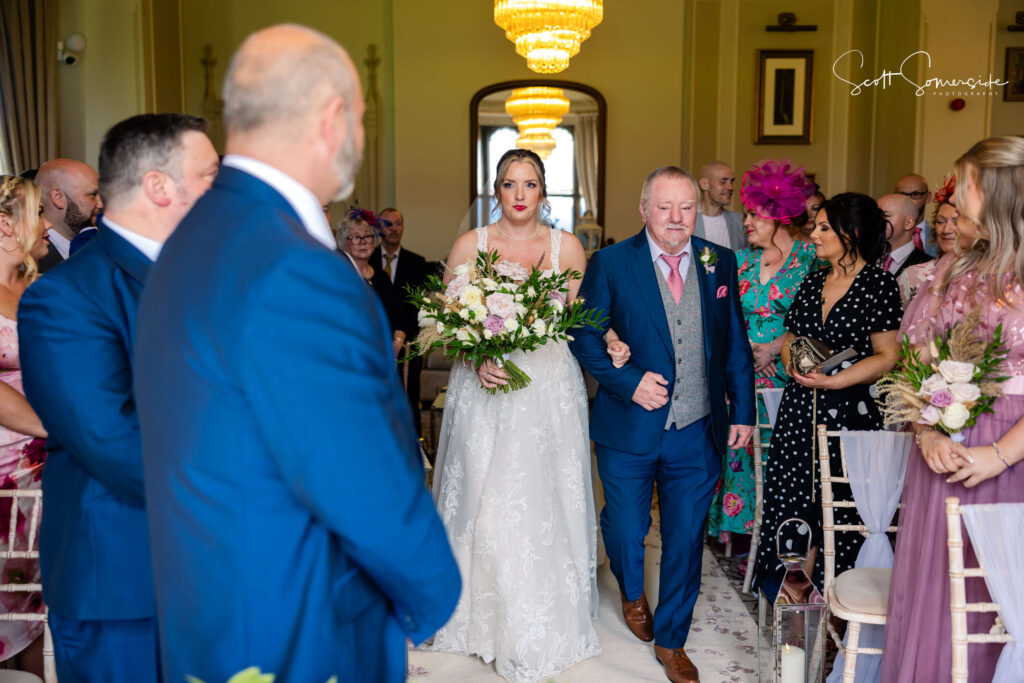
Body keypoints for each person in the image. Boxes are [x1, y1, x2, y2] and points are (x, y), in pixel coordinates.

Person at [132, 24, 459, 683]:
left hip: (210, 603)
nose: (359, 140)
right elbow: (356, 472)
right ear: (333, 118)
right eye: (361, 119)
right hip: (296, 623)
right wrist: (432, 589)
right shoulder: (291, 266)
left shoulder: (196, 235)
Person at [18, 114, 219, 683]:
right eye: (210, 175)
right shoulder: (67, 297)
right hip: (124, 577)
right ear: (159, 187)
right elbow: (111, 439)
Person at [570, 165, 754, 683]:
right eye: (665, 207)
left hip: (697, 428)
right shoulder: (609, 263)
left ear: (696, 210)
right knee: (627, 529)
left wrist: (741, 411)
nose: (676, 218)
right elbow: (583, 338)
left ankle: (672, 641)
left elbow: (734, 343)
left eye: (686, 207)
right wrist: (627, 382)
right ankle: (631, 591)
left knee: (686, 537)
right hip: (628, 427)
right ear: (644, 209)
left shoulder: (719, 261)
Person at [427, 148, 600, 682]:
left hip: (546, 385)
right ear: (495, 190)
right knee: (486, 489)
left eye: (529, 183)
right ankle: (478, 614)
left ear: (543, 190)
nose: (519, 194)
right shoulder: (469, 244)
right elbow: (446, 319)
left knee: (541, 493)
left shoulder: (566, 246)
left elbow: (579, 321)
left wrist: (612, 343)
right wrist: (476, 357)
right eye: (509, 183)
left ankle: (537, 617)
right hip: (484, 385)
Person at [882, 136, 1024, 683]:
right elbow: (914, 365)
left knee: (1000, 596)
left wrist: (998, 456)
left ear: (999, 194)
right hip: (943, 453)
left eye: (965, 186)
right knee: (940, 593)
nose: (955, 199)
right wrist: (926, 435)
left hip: (1009, 455)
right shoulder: (947, 273)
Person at [753, 193, 902, 597]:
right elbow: (790, 337)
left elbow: (889, 355)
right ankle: (791, 594)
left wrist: (838, 380)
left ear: (850, 233)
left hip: (849, 414)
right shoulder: (815, 278)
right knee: (793, 501)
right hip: (800, 407)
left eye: (823, 228)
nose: (813, 235)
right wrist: (791, 363)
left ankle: (836, 600)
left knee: (836, 506)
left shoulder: (879, 284)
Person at [708, 159, 821, 549]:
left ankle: (778, 540)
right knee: (737, 454)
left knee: (779, 461)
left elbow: (821, 321)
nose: (747, 223)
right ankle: (740, 538)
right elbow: (721, 317)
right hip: (740, 374)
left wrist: (773, 348)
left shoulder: (811, 260)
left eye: (755, 216)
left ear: (778, 217)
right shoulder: (740, 262)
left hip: (787, 375)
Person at [0, 176, 50, 678]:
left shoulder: (36, 288)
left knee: (29, 605)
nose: (44, 224)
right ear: (4, 225)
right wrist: (52, 425)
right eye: (38, 213)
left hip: (39, 470)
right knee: (4, 606)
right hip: (3, 474)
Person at [373, 207, 429, 420]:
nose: (394, 229)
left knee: (408, 396)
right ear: (379, 228)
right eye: (388, 224)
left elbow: (415, 306)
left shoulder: (416, 263)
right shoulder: (367, 262)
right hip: (375, 338)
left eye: (398, 224)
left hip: (407, 342)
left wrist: (400, 334)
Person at [337, 209, 406, 357]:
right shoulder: (341, 279)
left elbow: (399, 314)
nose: (363, 242)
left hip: (386, 357)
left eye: (367, 236)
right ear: (344, 243)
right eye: (355, 237)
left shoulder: (382, 277)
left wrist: (399, 339)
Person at [896, 175, 959, 306]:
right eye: (940, 222)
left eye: (956, 222)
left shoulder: (986, 274)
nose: (946, 229)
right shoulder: (912, 276)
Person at [34, 159, 103, 268]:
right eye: (92, 195)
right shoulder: (31, 258)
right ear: (58, 197)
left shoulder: (102, 241)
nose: (101, 204)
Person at [877, 193, 932, 277]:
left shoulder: (929, 265)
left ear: (908, 223)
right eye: (876, 216)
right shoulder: (864, 258)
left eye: (886, 216)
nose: (877, 221)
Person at [693, 161, 746, 249]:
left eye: (732, 182)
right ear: (704, 184)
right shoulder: (687, 221)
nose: (730, 187)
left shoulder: (741, 222)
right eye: (723, 182)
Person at [895, 173, 937, 257]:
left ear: (928, 197)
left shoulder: (940, 235)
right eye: (902, 195)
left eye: (916, 194)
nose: (909, 200)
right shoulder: (886, 235)